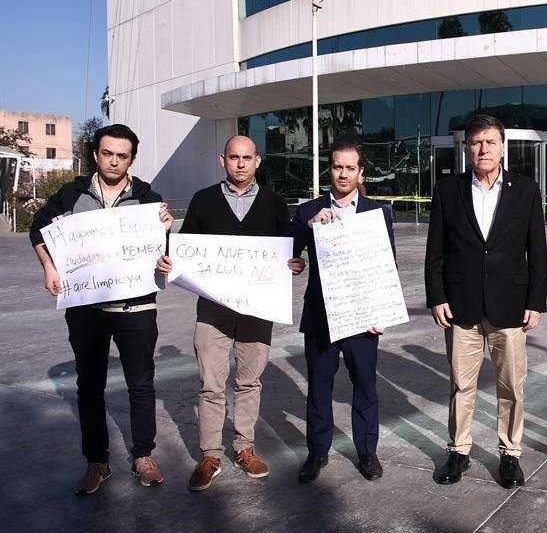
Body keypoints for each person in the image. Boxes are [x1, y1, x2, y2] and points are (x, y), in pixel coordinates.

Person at [29, 123, 173, 495]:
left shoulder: (148, 200)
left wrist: (166, 233)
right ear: (95, 154)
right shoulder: (71, 194)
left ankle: (143, 455)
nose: (113, 161)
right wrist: (49, 266)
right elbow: (38, 229)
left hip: (137, 310)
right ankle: (97, 462)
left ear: (133, 159)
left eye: (122, 156)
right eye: (107, 153)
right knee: (89, 387)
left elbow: (164, 254)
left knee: (141, 385)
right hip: (86, 310)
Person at [156, 135, 304, 491]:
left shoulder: (273, 203)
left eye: (247, 158)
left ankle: (244, 448)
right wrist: (169, 255)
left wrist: (295, 264)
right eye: (234, 157)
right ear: (222, 160)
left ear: (258, 162)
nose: (240, 164)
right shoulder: (203, 200)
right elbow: (187, 248)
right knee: (211, 384)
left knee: (250, 381)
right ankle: (210, 454)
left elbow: (286, 250)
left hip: (258, 310)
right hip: (213, 310)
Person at [425, 114, 547, 489]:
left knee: (511, 386)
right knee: (461, 385)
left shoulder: (525, 190)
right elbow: (436, 251)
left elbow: (537, 252)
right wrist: (437, 296)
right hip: (460, 306)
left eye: (489, 142)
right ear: (467, 149)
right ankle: (459, 450)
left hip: (509, 305)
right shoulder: (448, 190)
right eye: (476, 142)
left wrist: (535, 301)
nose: (482, 149)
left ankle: (510, 454)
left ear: (502, 147)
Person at [290, 137, 395, 483]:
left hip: (363, 317)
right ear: (329, 169)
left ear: (360, 171)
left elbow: (387, 265)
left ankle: (367, 451)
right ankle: (317, 452)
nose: (343, 173)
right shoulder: (309, 210)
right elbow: (288, 248)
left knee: (365, 385)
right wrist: (309, 227)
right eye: (338, 167)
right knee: (319, 387)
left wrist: (382, 311)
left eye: (351, 168)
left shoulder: (378, 212)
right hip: (321, 316)